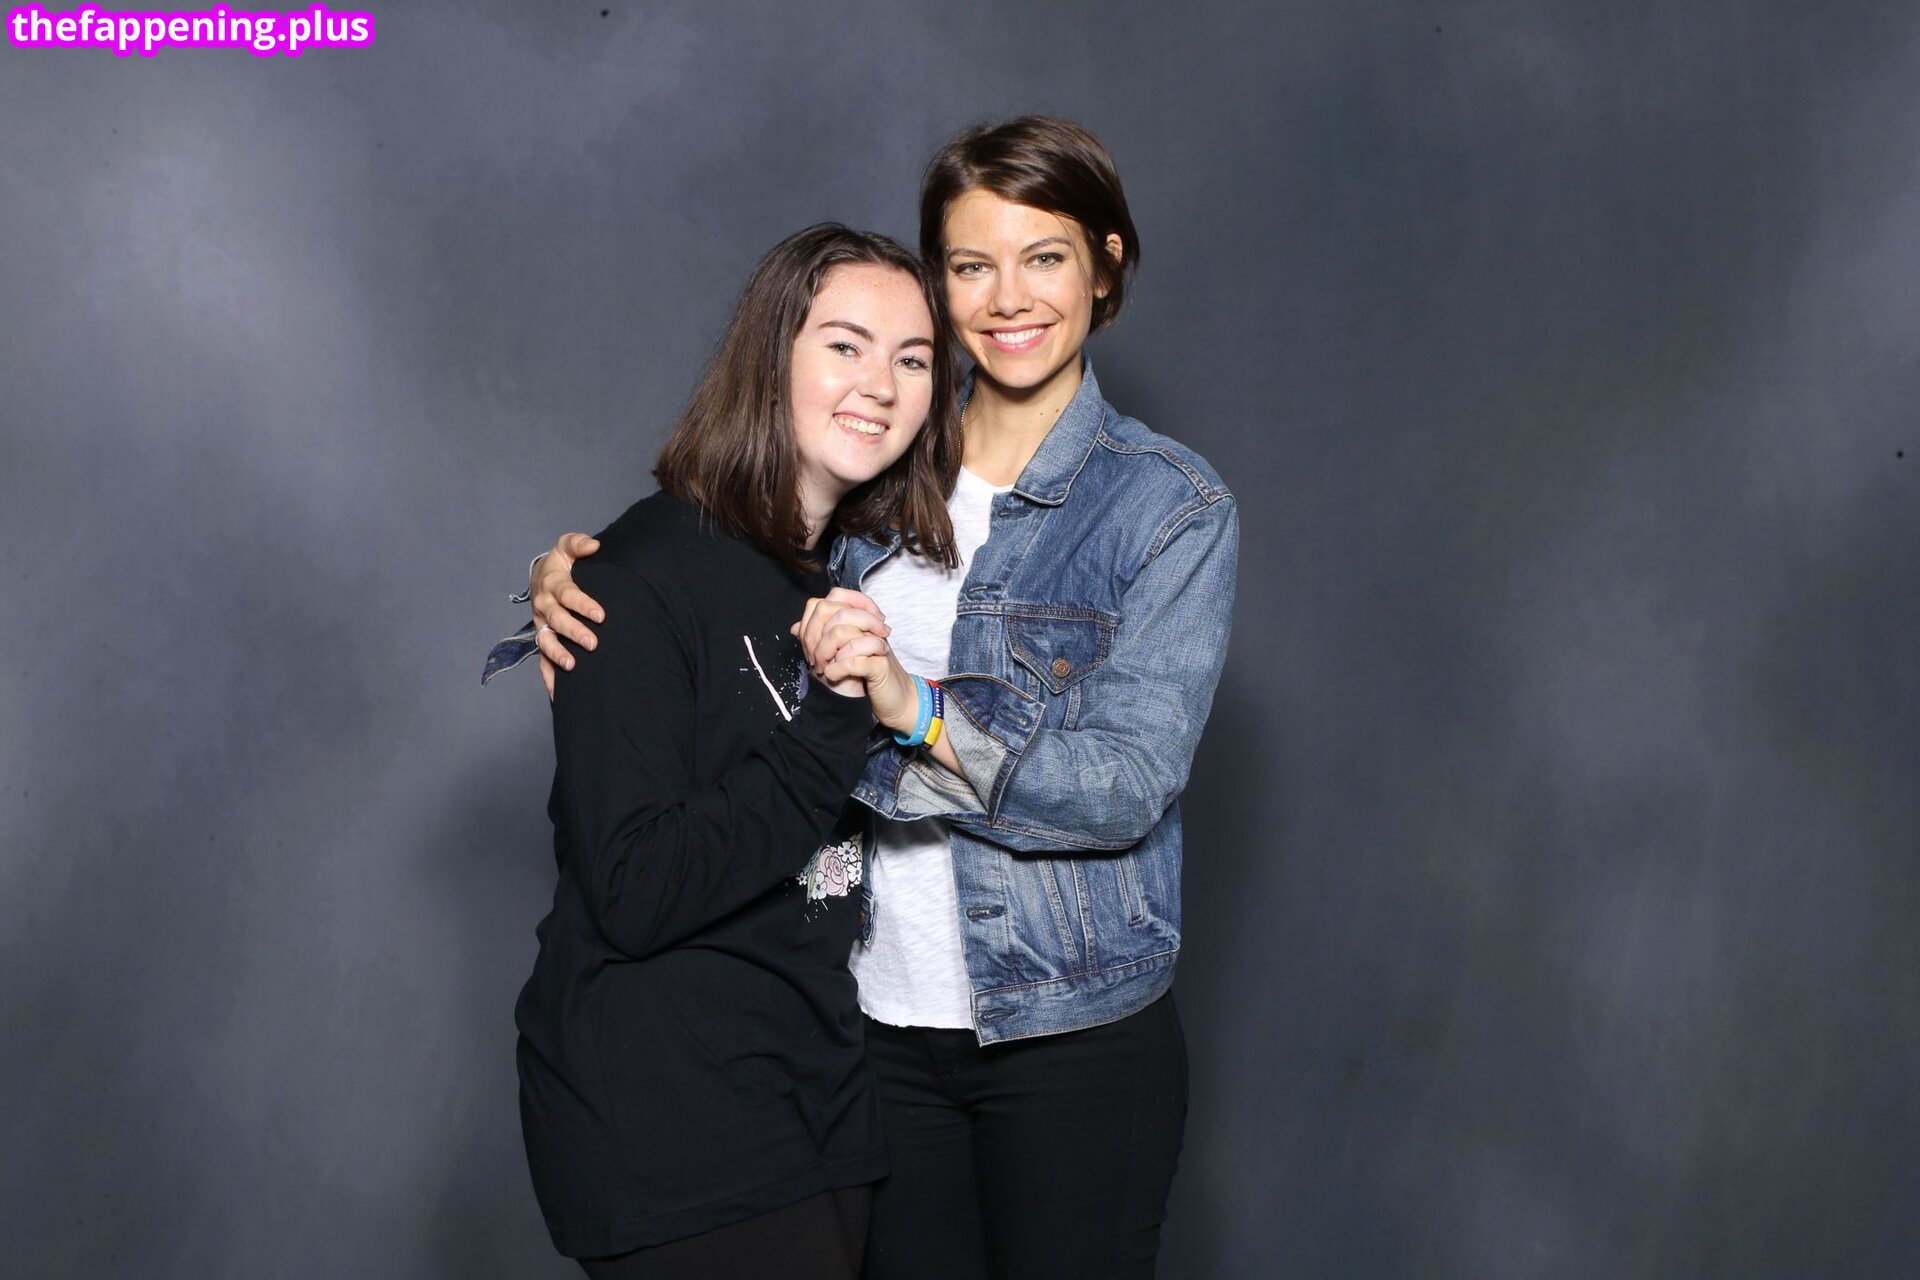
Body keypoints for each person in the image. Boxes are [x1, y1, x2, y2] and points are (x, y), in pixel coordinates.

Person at [505, 118, 1238, 1279]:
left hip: (1066, 1029)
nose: (1008, 297)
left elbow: (1122, 785)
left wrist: (916, 710)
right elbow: (713, 580)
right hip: (867, 1035)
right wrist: (565, 577)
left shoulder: (1167, 509)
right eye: (971, 264)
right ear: (940, 284)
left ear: (1105, 268)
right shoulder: (872, 481)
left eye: (1045, 257)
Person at [507, 223, 961, 1279]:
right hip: (675, 1123)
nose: (881, 384)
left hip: (816, 1102)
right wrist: (834, 716)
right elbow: (636, 888)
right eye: (845, 345)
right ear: (772, 357)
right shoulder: (634, 573)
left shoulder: (833, 578)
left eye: (912, 359)